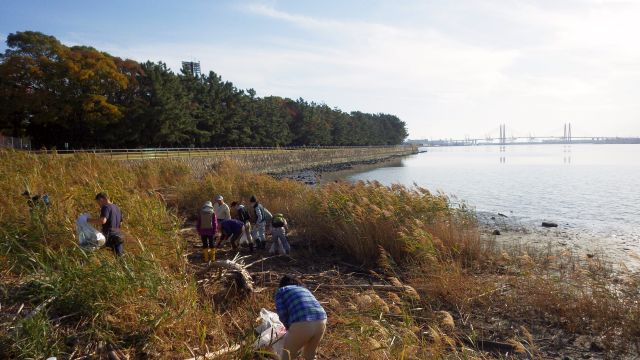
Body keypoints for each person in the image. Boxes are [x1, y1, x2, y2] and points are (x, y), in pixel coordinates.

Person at [275, 275, 327, 360]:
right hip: (322, 319)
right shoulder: (304, 290)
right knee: (309, 354)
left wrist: (288, 328)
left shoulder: (281, 291)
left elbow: (282, 313)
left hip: (302, 322)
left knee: (287, 356)